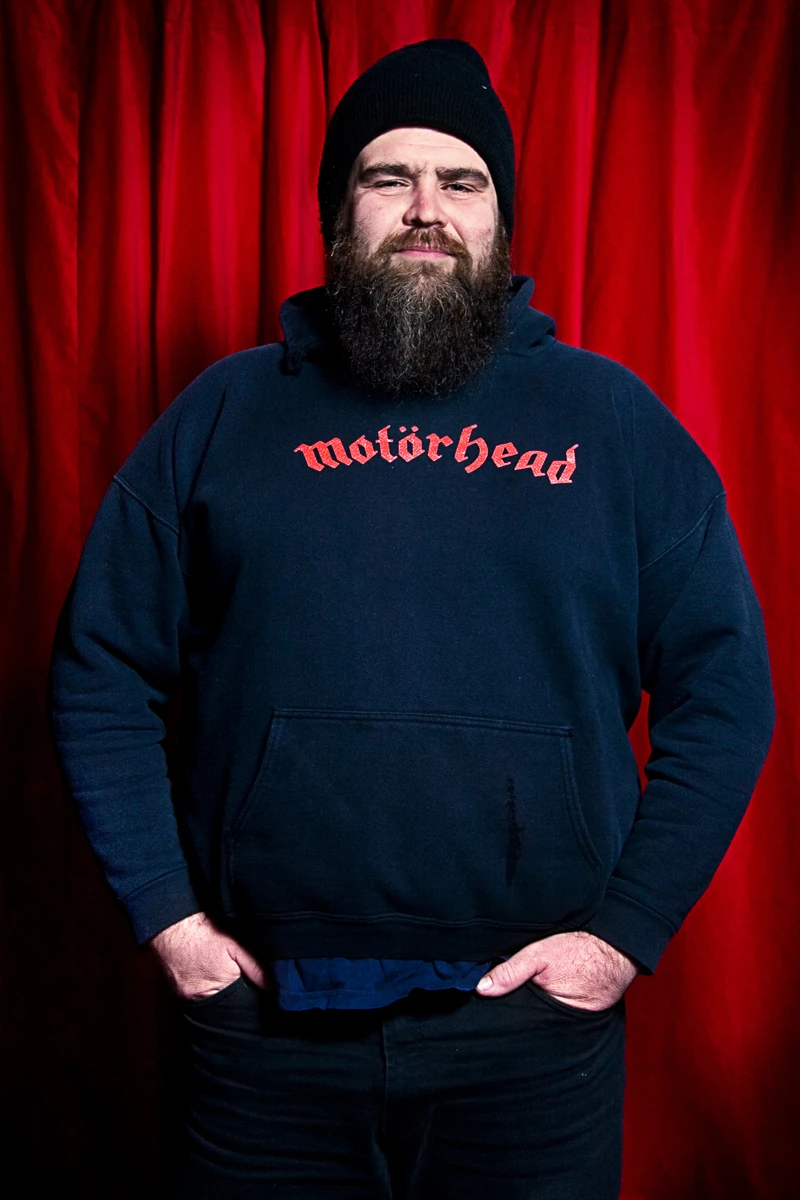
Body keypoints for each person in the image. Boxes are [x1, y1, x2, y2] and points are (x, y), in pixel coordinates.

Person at [48, 38, 774, 1199]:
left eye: (461, 181)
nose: (425, 208)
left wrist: (617, 940)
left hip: (530, 1034)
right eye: (388, 178)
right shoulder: (223, 414)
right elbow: (99, 668)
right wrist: (170, 923)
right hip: (262, 1031)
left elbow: (725, 691)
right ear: (340, 214)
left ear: (499, 220)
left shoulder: (613, 423)